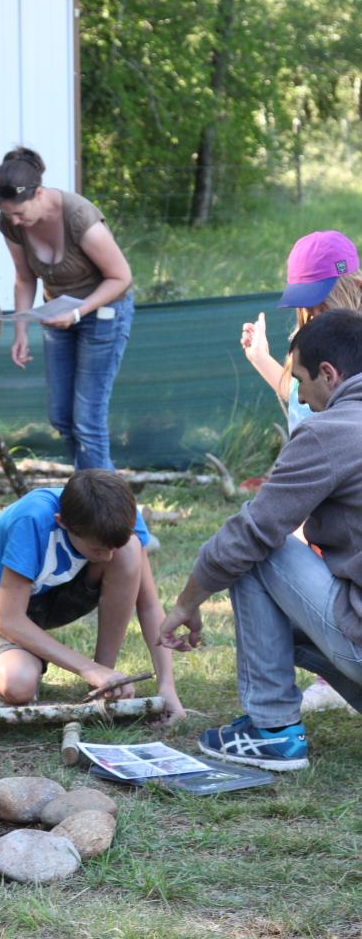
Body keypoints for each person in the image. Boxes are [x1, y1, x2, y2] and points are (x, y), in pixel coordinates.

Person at [160, 310, 362, 770]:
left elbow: (251, 532)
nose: (304, 401)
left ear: (329, 374)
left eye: (303, 384)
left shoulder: (331, 431)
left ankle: (273, 731)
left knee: (258, 550)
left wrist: (188, 602)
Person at [0, 468, 185, 722]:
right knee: (18, 685)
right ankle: (95, 673)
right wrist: (88, 669)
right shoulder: (31, 521)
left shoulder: (122, 515)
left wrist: (167, 687)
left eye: (111, 549)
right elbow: (8, 620)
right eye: (98, 550)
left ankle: (103, 683)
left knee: (129, 550)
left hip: (56, 594)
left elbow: (149, 605)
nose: (108, 558)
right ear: (62, 521)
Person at [241, 230, 361, 713]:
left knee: (254, 549)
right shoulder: (311, 344)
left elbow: (329, 424)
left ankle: (272, 723)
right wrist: (266, 363)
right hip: (315, 500)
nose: (311, 312)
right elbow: (306, 402)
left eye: (319, 300)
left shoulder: (351, 347)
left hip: (331, 498)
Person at [0, 147, 134, 470]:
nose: (14, 221)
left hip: (104, 312)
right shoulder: (10, 220)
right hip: (58, 313)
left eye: (19, 214)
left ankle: (105, 509)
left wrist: (79, 312)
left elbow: (121, 277)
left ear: (39, 193)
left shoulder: (80, 218)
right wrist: (20, 330)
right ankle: (87, 490)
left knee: (88, 420)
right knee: (61, 417)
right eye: (7, 214)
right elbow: (25, 278)